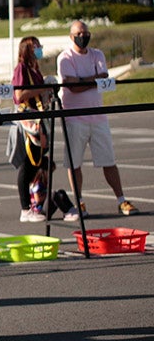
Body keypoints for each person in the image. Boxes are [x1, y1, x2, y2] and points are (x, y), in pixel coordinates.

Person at [57, 21, 137, 218]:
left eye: (85, 33)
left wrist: (82, 81)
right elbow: (71, 86)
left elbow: (103, 79)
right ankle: (80, 202)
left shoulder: (97, 54)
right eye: (78, 33)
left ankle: (121, 199)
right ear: (71, 36)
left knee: (109, 160)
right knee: (75, 163)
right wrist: (90, 81)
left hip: (98, 116)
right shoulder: (65, 57)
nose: (83, 36)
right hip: (75, 118)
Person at [12, 36, 53, 222]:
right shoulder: (22, 69)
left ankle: (35, 204)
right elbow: (19, 95)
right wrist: (41, 88)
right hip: (28, 121)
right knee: (27, 164)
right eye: (36, 47)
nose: (39, 49)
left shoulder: (34, 69)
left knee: (39, 163)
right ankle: (24, 208)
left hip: (38, 118)